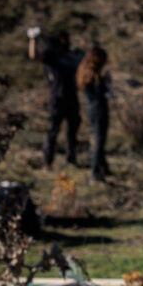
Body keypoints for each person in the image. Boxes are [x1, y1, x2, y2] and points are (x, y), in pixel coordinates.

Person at [28, 28, 83, 169]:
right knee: (53, 130)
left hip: (72, 97)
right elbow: (34, 56)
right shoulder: (51, 55)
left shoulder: (70, 55)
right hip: (57, 98)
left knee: (72, 131)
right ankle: (48, 162)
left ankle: (71, 160)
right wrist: (33, 39)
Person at [76, 45, 112, 183]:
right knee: (99, 141)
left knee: (99, 139)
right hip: (99, 108)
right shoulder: (94, 76)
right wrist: (106, 82)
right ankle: (96, 173)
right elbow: (100, 93)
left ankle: (103, 167)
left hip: (92, 107)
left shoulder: (84, 72)